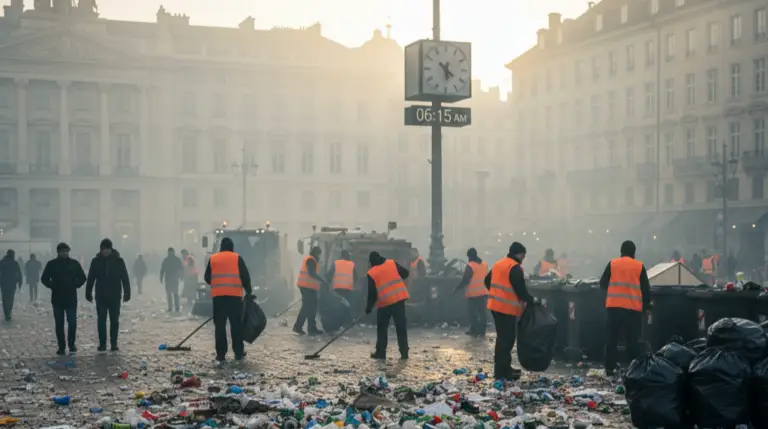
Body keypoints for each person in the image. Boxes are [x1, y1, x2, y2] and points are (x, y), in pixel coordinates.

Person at [599, 240, 651, 376]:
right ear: (634, 253)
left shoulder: (613, 264)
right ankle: (632, 369)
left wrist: (610, 294)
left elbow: (602, 283)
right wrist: (644, 307)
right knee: (632, 341)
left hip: (614, 308)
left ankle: (609, 368)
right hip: (632, 310)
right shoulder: (639, 266)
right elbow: (646, 290)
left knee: (612, 339)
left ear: (621, 251)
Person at [484, 242, 535, 380]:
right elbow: (520, 289)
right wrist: (531, 300)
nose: (523, 258)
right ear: (519, 254)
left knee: (504, 339)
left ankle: (505, 368)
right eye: (523, 255)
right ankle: (501, 371)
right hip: (506, 309)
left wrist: (496, 294)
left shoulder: (499, 263)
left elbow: (487, 280)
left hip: (495, 306)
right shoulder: (514, 267)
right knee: (506, 340)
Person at [203, 237, 253, 362]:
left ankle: (221, 354)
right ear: (232, 247)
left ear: (221, 246)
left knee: (220, 326)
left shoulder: (213, 259)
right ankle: (238, 353)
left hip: (218, 298)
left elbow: (207, 277)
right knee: (236, 325)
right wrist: (249, 292)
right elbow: (245, 276)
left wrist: (216, 283)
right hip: (234, 298)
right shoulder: (237, 258)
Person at [40, 243, 87, 355]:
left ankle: (71, 344)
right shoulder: (52, 264)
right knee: (59, 324)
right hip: (57, 299)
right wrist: (52, 285)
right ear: (58, 252)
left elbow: (82, 277)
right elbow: (44, 279)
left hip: (71, 298)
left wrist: (75, 284)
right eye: (62, 251)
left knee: (72, 323)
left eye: (66, 251)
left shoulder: (74, 264)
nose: (65, 253)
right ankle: (61, 346)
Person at [85, 238, 131, 352]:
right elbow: (91, 278)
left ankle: (114, 343)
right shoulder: (95, 261)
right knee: (101, 320)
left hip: (115, 295)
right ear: (101, 250)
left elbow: (125, 277)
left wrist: (127, 292)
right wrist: (88, 292)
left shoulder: (118, 261)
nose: (105, 251)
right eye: (103, 249)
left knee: (114, 320)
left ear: (111, 249)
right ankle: (102, 344)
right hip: (101, 295)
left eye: (107, 249)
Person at [366, 251, 410, 359]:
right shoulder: (391, 263)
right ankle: (404, 351)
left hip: (384, 304)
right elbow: (406, 273)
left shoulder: (372, 273)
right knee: (400, 327)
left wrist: (369, 307)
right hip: (399, 300)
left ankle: (380, 353)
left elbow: (372, 293)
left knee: (382, 329)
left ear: (371, 262)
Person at [453, 247, 488, 337]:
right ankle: (482, 331)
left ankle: (474, 331)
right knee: (482, 313)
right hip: (483, 292)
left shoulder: (471, 266)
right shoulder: (484, 264)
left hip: (473, 294)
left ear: (469, 256)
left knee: (473, 314)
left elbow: (465, 280)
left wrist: (457, 289)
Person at [293, 246, 327, 336]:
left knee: (311, 307)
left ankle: (310, 328)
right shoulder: (311, 260)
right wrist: (323, 280)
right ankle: (299, 326)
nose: (320, 256)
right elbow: (312, 273)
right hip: (306, 286)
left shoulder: (311, 260)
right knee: (307, 307)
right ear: (316, 253)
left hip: (308, 287)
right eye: (319, 254)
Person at [0, 250, 22, 322]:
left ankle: (6, 313)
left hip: (3, 284)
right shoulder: (14, 263)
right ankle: (8, 312)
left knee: (4, 298)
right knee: (10, 298)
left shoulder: (2, 262)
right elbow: (19, 273)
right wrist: (19, 282)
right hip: (12, 284)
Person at [160, 247, 184, 312]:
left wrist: (181, 276)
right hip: (168, 279)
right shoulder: (166, 260)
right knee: (169, 294)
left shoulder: (177, 260)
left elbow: (181, 269)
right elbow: (162, 270)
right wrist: (161, 278)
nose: (170, 253)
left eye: (171, 252)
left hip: (174, 279)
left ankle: (177, 307)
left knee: (175, 294)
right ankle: (170, 308)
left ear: (173, 252)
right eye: (169, 252)